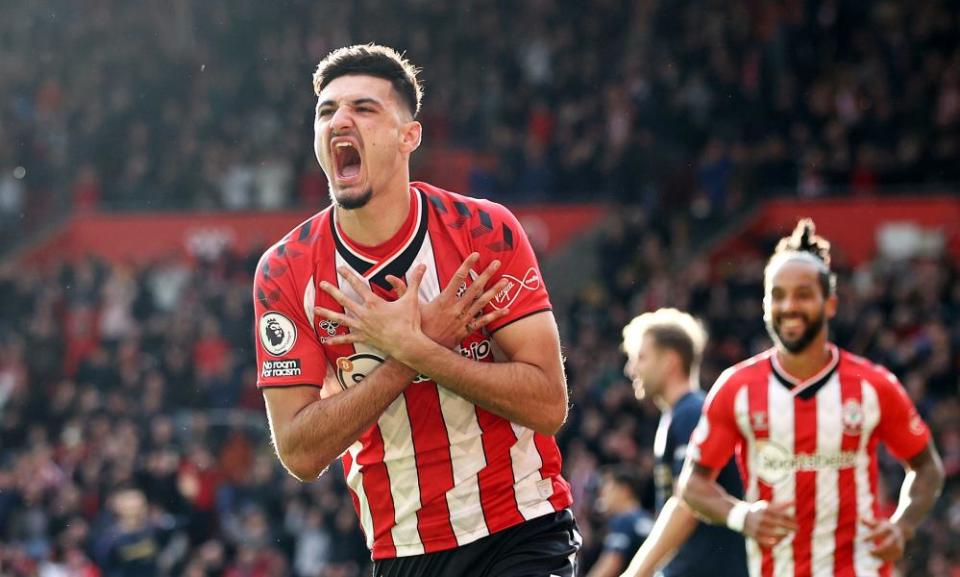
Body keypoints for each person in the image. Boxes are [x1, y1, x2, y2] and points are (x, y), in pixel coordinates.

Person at [252, 44, 579, 576]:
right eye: (326, 111)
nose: (340, 121)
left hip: (521, 526)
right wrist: (411, 355)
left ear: (410, 137)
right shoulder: (285, 271)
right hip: (402, 548)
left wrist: (414, 349)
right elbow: (298, 452)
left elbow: (548, 404)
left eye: (364, 108)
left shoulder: (483, 231)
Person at [679, 219, 945, 577]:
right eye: (778, 295)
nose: (789, 306)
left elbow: (927, 467)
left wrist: (903, 525)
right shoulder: (736, 388)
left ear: (830, 303)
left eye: (803, 294)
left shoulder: (873, 385)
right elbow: (691, 484)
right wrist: (741, 514)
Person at [618, 308, 748, 577]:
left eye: (640, 358)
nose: (631, 369)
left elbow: (685, 506)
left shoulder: (691, 413)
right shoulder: (678, 416)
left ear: (670, 361)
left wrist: (635, 573)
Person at [586, 466, 654, 577]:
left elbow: (611, 564)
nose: (602, 495)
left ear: (624, 490)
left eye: (607, 488)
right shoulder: (645, 518)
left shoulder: (625, 520)